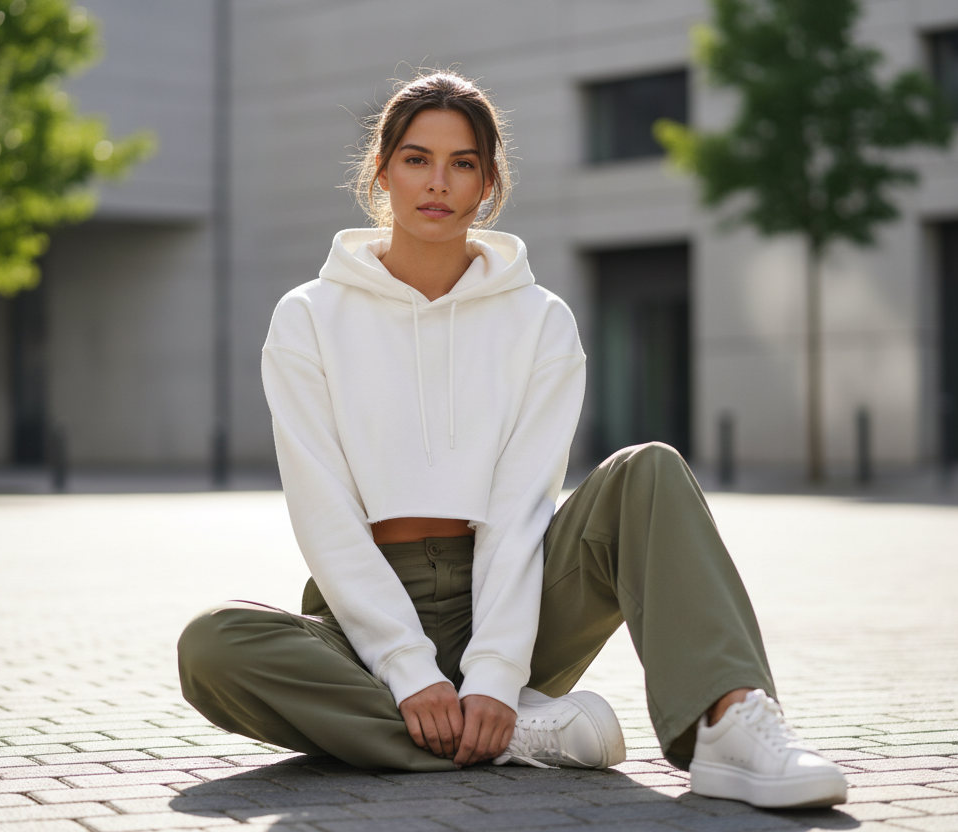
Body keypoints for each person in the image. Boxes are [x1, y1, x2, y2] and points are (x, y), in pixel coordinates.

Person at [177, 71, 848, 809]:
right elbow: (325, 516)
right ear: (382, 171)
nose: (438, 183)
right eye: (416, 159)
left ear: (488, 183)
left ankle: (730, 722)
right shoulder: (308, 317)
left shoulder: (540, 321)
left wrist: (494, 673)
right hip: (362, 620)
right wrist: (409, 667)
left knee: (649, 470)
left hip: (514, 602)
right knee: (212, 645)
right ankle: (524, 737)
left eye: (462, 163)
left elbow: (522, 512)